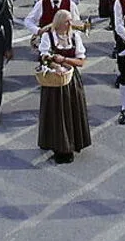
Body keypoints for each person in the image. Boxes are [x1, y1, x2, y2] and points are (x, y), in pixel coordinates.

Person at [36, 9, 92, 164]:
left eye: (70, 20)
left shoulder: (74, 36)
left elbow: (81, 61)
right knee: (56, 114)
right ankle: (58, 147)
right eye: (67, 21)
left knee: (71, 112)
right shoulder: (48, 37)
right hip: (54, 79)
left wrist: (64, 60)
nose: (70, 23)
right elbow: (44, 57)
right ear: (60, 22)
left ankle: (71, 145)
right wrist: (55, 65)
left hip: (71, 79)